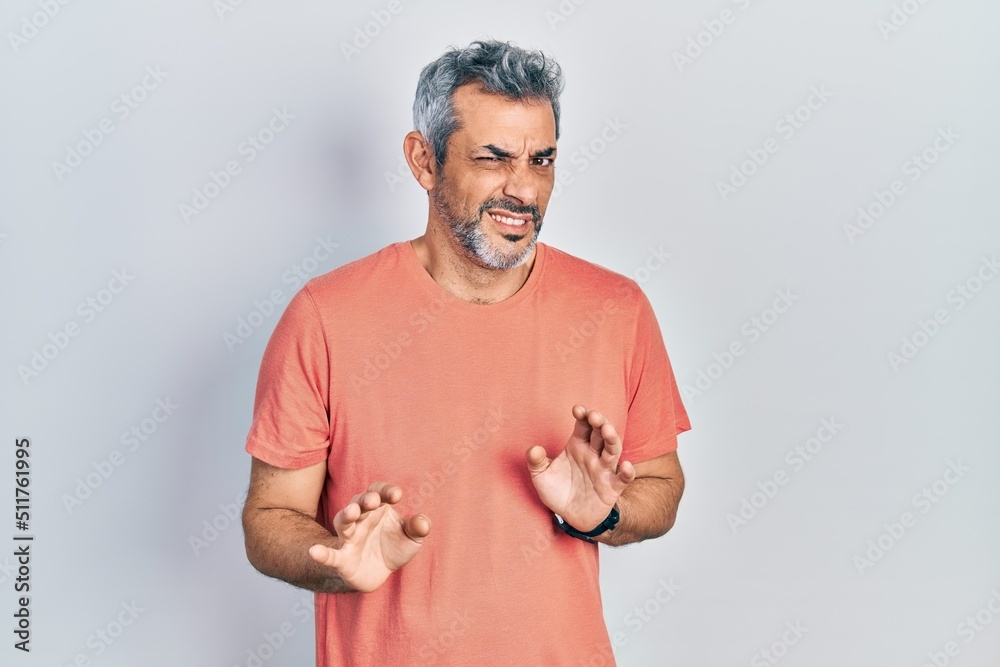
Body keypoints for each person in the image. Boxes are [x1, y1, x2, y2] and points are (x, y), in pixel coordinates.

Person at [241, 38, 691, 666]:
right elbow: (269, 517)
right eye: (494, 158)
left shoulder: (617, 310)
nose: (524, 190)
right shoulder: (325, 316)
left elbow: (663, 484)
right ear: (423, 161)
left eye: (542, 160)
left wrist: (603, 517)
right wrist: (337, 564)